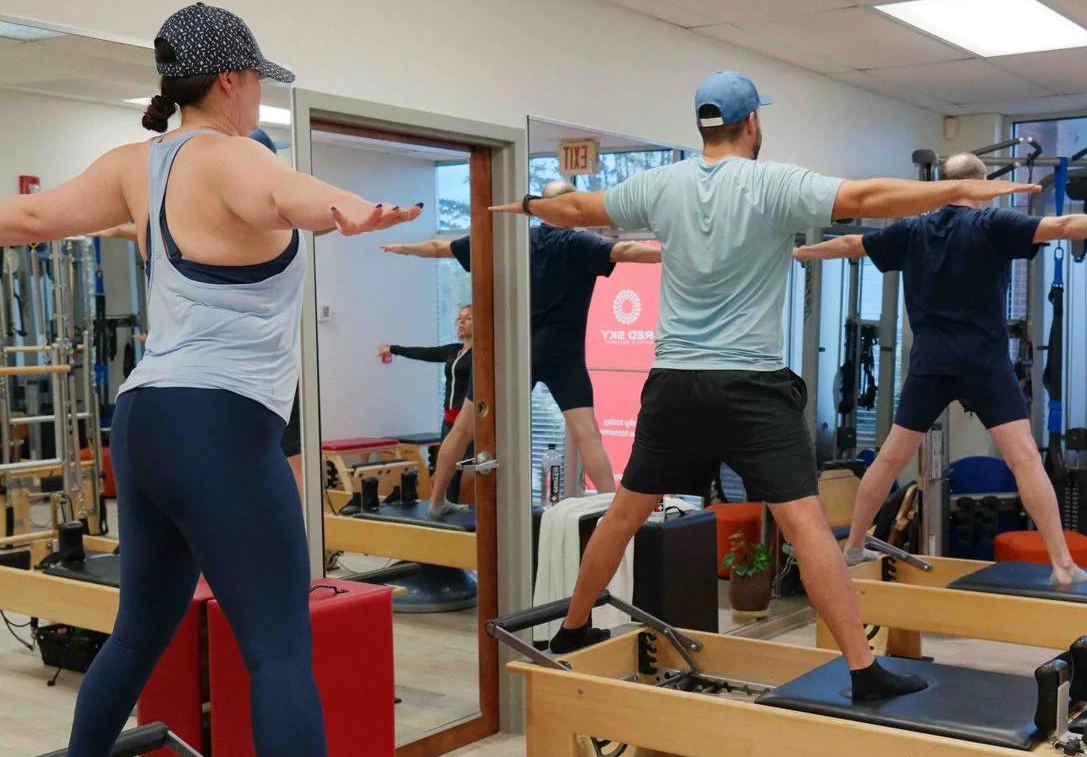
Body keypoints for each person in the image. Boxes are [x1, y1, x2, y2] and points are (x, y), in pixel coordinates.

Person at [0, 3, 427, 757]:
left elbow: (33, 215)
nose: (257, 98)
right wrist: (347, 208)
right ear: (232, 80)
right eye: (256, 81)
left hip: (145, 421)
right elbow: (285, 194)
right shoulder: (235, 157)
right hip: (218, 428)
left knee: (139, 628)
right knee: (280, 652)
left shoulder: (139, 165)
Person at [514, 71, 1032, 699]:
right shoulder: (774, 183)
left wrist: (525, 206)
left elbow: (573, 210)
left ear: (702, 126)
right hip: (751, 384)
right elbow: (868, 197)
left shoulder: (659, 184)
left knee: (624, 511)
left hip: (674, 382)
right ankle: (863, 671)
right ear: (753, 123)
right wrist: (960, 188)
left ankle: (571, 629)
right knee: (806, 525)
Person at [796, 152, 1087, 583]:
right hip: (985, 362)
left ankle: (853, 546)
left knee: (888, 459)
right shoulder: (993, 224)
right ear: (981, 187)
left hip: (931, 364)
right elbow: (1066, 226)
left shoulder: (912, 230)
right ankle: (1062, 564)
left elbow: (850, 244)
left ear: (942, 184)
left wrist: (799, 251)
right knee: (1025, 459)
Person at [380, 182, 662, 497]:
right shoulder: (577, 243)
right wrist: (676, 250)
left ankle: (435, 502)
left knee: (463, 428)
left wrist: (403, 248)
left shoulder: (510, 241)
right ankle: (609, 508)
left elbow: (438, 248)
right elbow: (626, 251)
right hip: (561, 355)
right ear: (570, 207)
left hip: (511, 354)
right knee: (588, 435)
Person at [378, 304, 475, 509]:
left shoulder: (481, 354)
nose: (461, 322)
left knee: (469, 467)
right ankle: (443, 507)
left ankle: (457, 507)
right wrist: (393, 349)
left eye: (467, 318)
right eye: (459, 318)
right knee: (449, 469)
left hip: (468, 421)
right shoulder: (453, 350)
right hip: (449, 420)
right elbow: (425, 353)